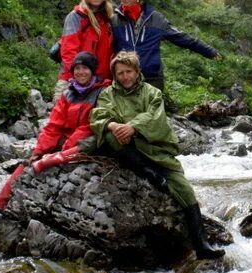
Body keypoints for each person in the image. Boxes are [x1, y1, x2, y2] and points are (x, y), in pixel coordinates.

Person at [89, 51, 225, 259]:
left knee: (185, 189)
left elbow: (155, 117)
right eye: (120, 73)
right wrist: (114, 125)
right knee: (110, 137)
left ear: (137, 71)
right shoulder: (108, 94)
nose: (125, 77)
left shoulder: (152, 92)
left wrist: (133, 126)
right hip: (128, 145)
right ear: (115, 75)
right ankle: (147, 171)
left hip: (156, 147)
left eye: (129, 72)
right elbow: (100, 115)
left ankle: (202, 244)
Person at [0, 52, 105, 212]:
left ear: (93, 71)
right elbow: (53, 125)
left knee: (53, 158)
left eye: (85, 68)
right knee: (29, 160)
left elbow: (90, 126)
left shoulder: (101, 93)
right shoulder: (68, 94)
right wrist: (40, 150)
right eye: (77, 68)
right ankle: (2, 198)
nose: (80, 72)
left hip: (85, 142)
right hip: (66, 138)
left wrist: (65, 148)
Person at [111, 0, 222, 92]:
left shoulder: (155, 18)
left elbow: (182, 37)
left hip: (151, 79)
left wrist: (209, 51)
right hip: (124, 79)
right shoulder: (114, 19)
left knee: (153, 110)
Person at [53, 0, 115, 102]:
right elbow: (68, 51)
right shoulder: (76, 17)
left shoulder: (108, 20)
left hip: (100, 83)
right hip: (73, 80)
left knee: (96, 120)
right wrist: (77, 77)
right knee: (62, 118)